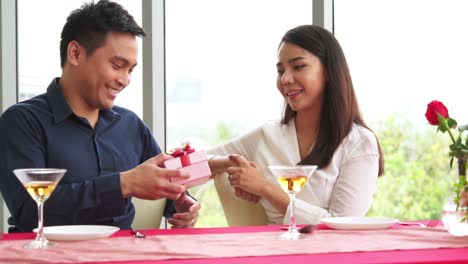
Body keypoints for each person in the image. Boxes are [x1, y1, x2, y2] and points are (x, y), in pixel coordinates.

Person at [0, 0, 199, 232]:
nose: (125, 80)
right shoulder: (22, 122)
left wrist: (181, 204)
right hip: (48, 254)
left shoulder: (130, 125)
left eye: (130, 70)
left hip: (124, 254)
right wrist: (123, 184)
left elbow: (164, 185)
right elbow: (30, 213)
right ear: (75, 53)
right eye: (117, 65)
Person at [208, 25, 384, 225]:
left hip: (330, 254)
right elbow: (194, 163)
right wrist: (230, 162)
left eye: (298, 67)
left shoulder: (359, 143)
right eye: (280, 71)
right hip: (272, 251)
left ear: (328, 71)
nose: (286, 79)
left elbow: (343, 225)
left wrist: (264, 188)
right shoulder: (267, 135)